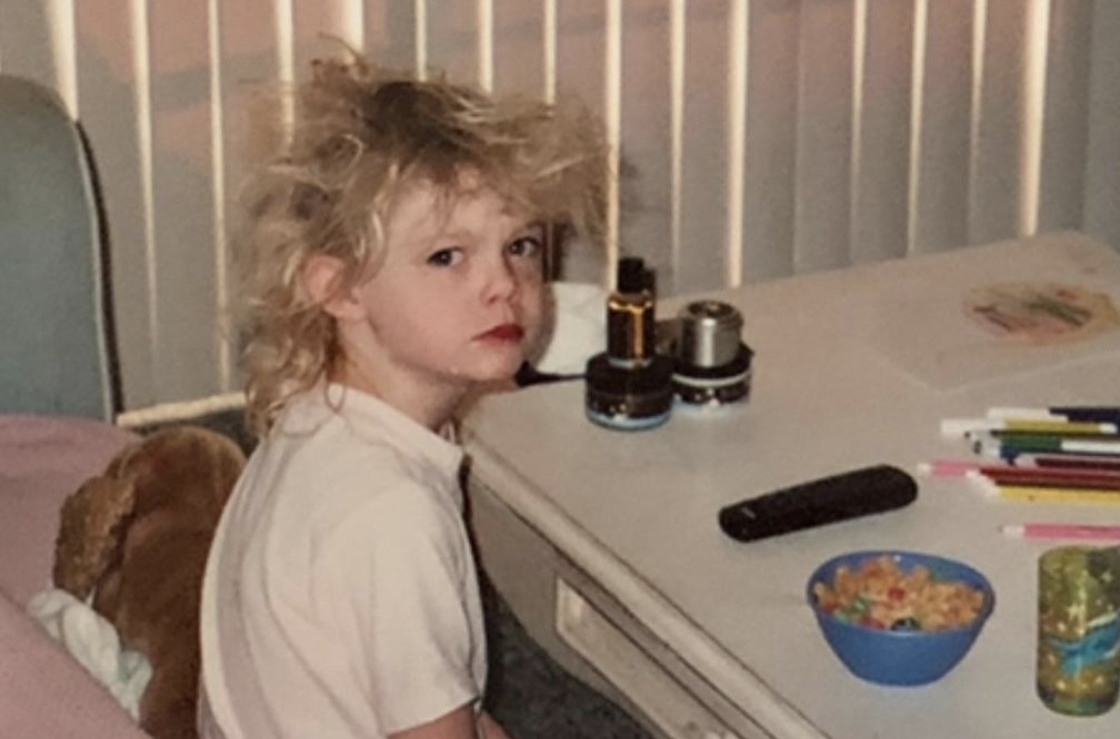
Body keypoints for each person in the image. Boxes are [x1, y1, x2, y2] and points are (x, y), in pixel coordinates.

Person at [198, 51, 608, 739]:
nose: (502, 284)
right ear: (339, 288)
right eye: (447, 255)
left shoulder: (315, 416)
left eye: (521, 245)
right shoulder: (392, 514)